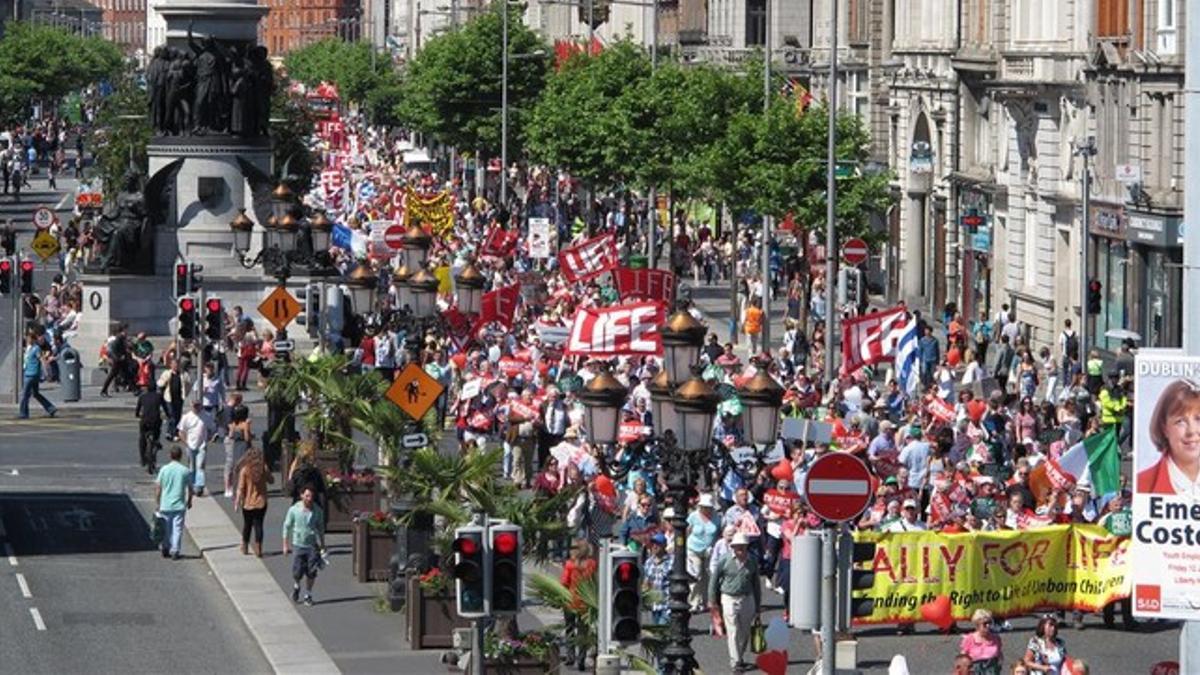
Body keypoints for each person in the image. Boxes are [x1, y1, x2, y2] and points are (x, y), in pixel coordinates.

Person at [1137, 378, 1200, 495]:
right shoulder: (1143, 485)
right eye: (1181, 421)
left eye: (1199, 419)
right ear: (1164, 428)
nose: (1191, 430)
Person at [709, 532, 761, 672]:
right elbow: (714, 580)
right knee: (733, 630)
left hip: (747, 597)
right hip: (729, 597)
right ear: (733, 547)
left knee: (744, 632)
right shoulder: (724, 560)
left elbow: (756, 583)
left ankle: (739, 656)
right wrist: (712, 600)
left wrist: (758, 605)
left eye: (743, 547)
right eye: (737, 547)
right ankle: (736, 661)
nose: (740, 550)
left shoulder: (752, 561)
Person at [282, 485, 326, 606]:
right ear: (301, 496)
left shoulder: (317, 511)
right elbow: (287, 526)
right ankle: (296, 586)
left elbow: (321, 528)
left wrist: (323, 545)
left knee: (311, 571)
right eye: (306, 496)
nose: (309, 498)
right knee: (297, 572)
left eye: (311, 496)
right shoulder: (294, 510)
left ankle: (308, 594)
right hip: (298, 544)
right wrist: (285, 545)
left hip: (312, 545)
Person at [560, 539, 597, 671]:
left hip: (570, 600)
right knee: (583, 631)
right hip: (585, 603)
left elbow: (564, 582)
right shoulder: (592, 564)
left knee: (570, 629)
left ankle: (570, 657)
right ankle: (581, 659)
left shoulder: (570, 565)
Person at [155, 446, 194, 560]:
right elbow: (190, 488)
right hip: (179, 504)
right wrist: (189, 500)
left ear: (170, 456)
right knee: (177, 528)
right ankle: (175, 549)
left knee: (166, 528)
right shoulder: (185, 470)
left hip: (165, 504)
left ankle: (165, 547)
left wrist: (158, 502)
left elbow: (158, 487)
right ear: (180, 456)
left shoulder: (164, 469)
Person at [235, 447, 272, 557]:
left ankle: (245, 546)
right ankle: (258, 548)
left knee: (247, 525)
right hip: (261, 502)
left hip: (248, 502)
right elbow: (271, 480)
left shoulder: (245, 470)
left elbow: (240, 488)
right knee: (259, 525)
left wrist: (237, 501)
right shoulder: (263, 468)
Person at [686, 493, 719, 612]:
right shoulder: (693, 516)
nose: (706, 509)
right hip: (694, 548)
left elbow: (719, 533)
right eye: (704, 507)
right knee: (696, 575)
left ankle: (706, 601)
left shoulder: (717, 517)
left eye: (708, 507)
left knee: (708, 576)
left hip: (709, 550)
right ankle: (694, 602)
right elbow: (687, 531)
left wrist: (715, 547)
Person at [177, 400, 214, 497]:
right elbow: (181, 431)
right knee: (191, 467)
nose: (196, 408)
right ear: (191, 406)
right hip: (190, 445)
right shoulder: (186, 417)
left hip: (202, 445)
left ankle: (199, 487)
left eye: (198, 406)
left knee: (200, 466)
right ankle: (192, 486)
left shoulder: (206, 416)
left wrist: (208, 439)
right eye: (194, 406)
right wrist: (186, 442)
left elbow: (211, 429)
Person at [18, 332, 57, 419]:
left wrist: (47, 373)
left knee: (24, 395)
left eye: (29, 338)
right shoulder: (28, 348)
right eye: (27, 338)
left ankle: (23, 413)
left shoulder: (36, 349)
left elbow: (42, 360)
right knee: (35, 393)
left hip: (31, 374)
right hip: (29, 373)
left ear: (33, 339)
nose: (28, 340)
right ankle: (51, 408)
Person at [135, 382, 168, 473]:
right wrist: (168, 415)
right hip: (155, 421)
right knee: (157, 433)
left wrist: (137, 415)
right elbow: (165, 407)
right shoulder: (159, 396)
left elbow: (137, 410)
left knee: (142, 437)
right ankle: (157, 442)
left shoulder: (142, 396)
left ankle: (142, 459)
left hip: (145, 421)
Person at [959, 608, 1003, 674]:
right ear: (977, 625)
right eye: (985, 623)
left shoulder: (996, 638)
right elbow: (962, 660)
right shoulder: (969, 639)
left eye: (990, 622)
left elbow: (1000, 656)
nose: (988, 625)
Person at [223, 403, 252, 498]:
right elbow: (247, 438)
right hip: (244, 446)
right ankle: (245, 488)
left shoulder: (234, 425)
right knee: (245, 467)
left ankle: (236, 488)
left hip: (236, 445)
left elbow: (231, 436)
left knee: (237, 467)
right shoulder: (245, 425)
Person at [642, 532, 671, 625]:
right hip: (654, 605)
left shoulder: (672, 561)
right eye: (653, 544)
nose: (654, 546)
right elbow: (646, 582)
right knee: (657, 633)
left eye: (658, 544)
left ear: (664, 545)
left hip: (667, 605)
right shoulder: (648, 562)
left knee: (662, 630)